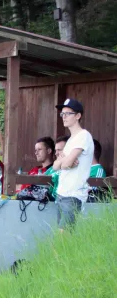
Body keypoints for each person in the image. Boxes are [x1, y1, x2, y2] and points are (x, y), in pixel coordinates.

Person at [52, 98, 93, 231]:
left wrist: (65, 162)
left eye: (68, 113)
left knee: (64, 236)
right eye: (62, 114)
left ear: (78, 115)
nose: (63, 117)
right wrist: (64, 162)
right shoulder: (70, 140)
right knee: (62, 238)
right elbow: (55, 166)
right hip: (61, 193)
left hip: (73, 194)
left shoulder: (83, 135)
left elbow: (66, 163)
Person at [44, 135, 69, 200]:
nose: (56, 153)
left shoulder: (75, 168)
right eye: (55, 150)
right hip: (46, 204)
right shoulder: (51, 169)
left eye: (59, 150)